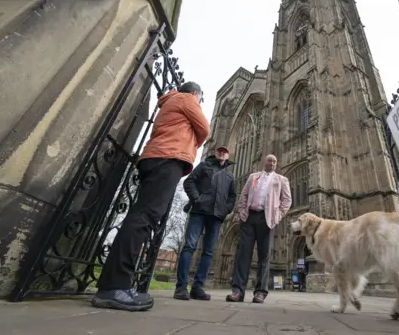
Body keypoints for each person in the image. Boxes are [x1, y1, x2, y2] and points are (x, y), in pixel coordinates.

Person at [91, 81, 210, 312]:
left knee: (140, 217)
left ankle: (113, 284)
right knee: (143, 219)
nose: (199, 103)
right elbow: (204, 128)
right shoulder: (187, 99)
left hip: (156, 157)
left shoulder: (170, 101)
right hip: (168, 158)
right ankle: (114, 287)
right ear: (195, 94)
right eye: (200, 99)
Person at [225, 154, 292, 304]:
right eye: (270, 161)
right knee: (243, 255)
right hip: (249, 218)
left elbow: (287, 200)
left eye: (275, 161)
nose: (273, 163)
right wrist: (242, 212)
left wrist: (277, 216)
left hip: (267, 219)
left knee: (264, 256)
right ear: (264, 162)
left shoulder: (281, 180)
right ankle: (237, 292)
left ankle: (260, 292)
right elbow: (244, 195)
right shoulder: (253, 177)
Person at [173, 145, 236, 301]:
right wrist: (197, 199)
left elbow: (232, 197)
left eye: (225, 151)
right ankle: (181, 287)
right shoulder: (204, 166)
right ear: (216, 154)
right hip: (199, 212)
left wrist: (225, 210)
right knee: (189, 247)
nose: (222, 153)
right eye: (220, 151)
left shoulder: (229, 176)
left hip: (216, 216)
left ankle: (198, 287)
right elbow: (189, 182)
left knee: (208, 251)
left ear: (228, 156)